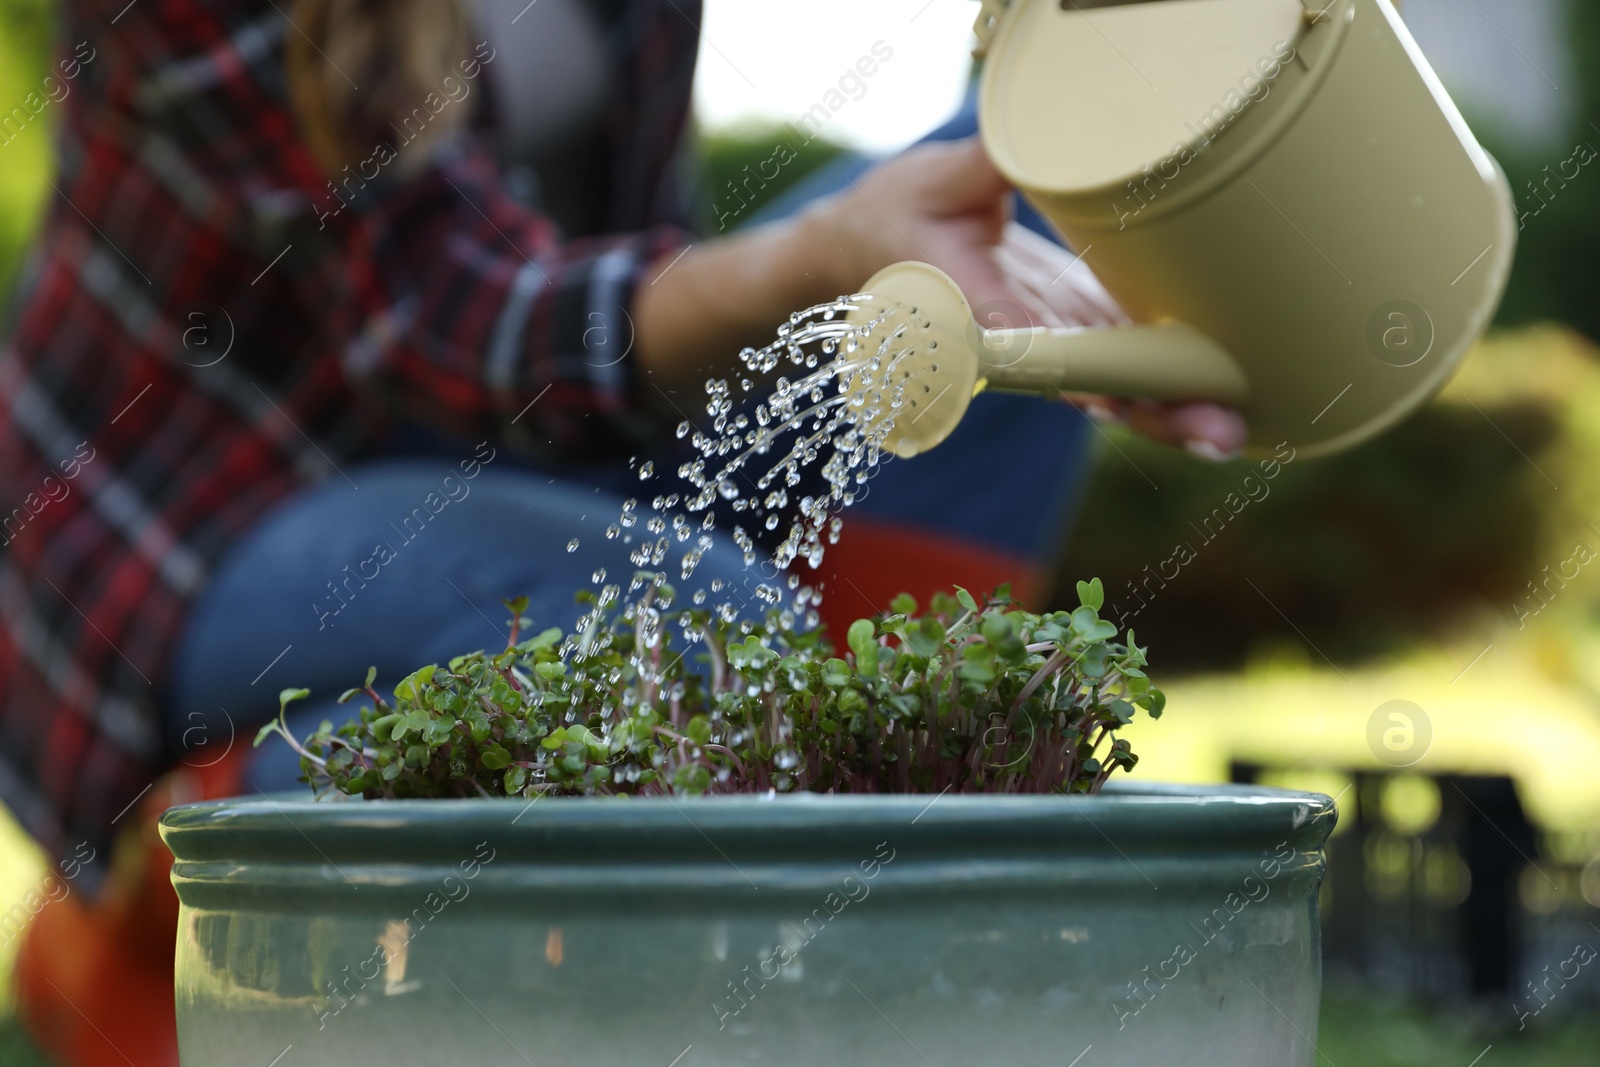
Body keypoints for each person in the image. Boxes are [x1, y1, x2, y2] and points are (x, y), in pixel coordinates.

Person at [0, 1, 1243, 1062]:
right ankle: (162, 907)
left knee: (1013, 194)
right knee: (707, 626)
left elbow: (613, 297)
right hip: (216, 528)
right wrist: (814, 259)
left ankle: (824, 924)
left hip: (553, 454)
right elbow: (458, 321)